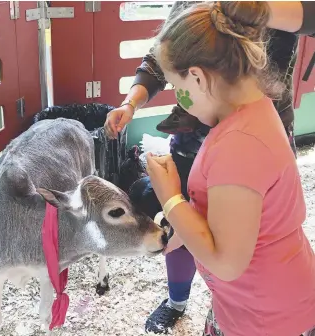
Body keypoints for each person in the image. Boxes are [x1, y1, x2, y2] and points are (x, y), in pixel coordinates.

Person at [104, 1, 315, 334]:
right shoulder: (249, 112)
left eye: (179, 89)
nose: (179, 97)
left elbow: (227, 263)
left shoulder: (241, 148)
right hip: (253, 298)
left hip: (264, 315)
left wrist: (171, 198)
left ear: (199, 77)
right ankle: (177, 299)